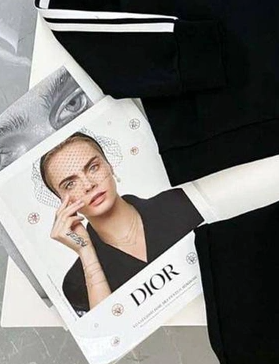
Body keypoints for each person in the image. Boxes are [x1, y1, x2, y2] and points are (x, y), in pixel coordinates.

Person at [40, 131, 203, 315]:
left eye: (93, 167)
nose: (88, 185)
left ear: (109, 166)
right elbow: (109, 328)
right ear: (62, 202)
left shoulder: (178, 202)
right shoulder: (75, 283)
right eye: (70, 184)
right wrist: (85, 250)